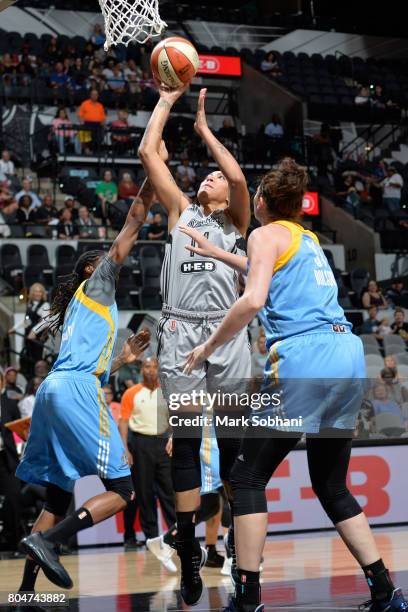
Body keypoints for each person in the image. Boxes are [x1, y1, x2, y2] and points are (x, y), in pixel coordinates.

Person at [182, 157, 407, 612]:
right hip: (347, 356)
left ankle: (248, 598)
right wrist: (216, 253)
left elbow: (254, 298)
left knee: (247, 476)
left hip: (304, 358)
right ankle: (385, 591)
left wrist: (205, 348)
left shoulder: (262, 233)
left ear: (261, 201)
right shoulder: (307, 239)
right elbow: (261, 266)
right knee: (332, 485)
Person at [15, 170, 158, 593]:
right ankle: (49, 541)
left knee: (58, 496)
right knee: (123, 488)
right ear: (94, 269)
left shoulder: (82, 307)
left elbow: (87, 364)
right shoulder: (98, 283)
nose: (117, 264)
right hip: (75, 390)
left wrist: (125, 358)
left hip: (54, 390)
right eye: (108, 261)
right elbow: (134, 219)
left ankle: (22, 593)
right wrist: (152, 176)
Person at [138, 85, 250, 606]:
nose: (207, 179)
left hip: (226, 335)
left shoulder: (236, 223)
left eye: (213, 179)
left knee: (232, 447)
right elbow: (147, 152)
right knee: (184, 443)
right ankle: (186, 549)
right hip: (182, 335)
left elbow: (236, 176)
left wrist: (205, 129)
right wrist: (168, 98)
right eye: (202, 175)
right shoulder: (180, 211)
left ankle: (228, 540)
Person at [119, 357, 176, 559]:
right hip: (141, 444)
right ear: (141, 369)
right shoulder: (131, 393)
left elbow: (177, 417)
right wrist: (125, 448)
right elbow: (124, 422)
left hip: (164, 443)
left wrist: (173, 437)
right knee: (144, 494)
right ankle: (152, 538)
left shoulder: (168, 391)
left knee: (169, 492)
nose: (151, 370)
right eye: (147, 367)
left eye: (155, 367)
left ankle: (174, 536)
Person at [0, 371, 22, 551]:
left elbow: (20, 432)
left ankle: (14, 540)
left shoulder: (9, 404)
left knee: (14, 497)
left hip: (7, 459)